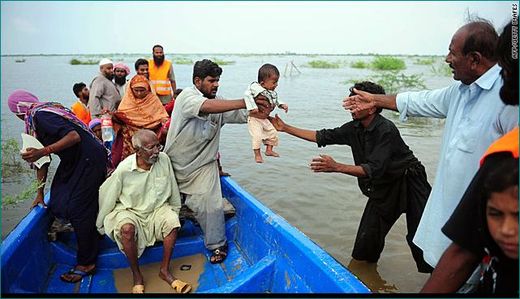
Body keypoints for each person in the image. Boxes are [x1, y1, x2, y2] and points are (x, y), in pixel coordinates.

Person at [343, 19, 518, 268]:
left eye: (452, 52)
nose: (447, 58)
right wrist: (374, 99)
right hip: (448, 221)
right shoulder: (460, 91)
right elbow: (417, 101)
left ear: (475, 59)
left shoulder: (508, 97)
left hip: (484, 231)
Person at [270, 81, 432, 273]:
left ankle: (438, 280)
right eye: (351, 101)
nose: (351, 106)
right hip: (384, 186)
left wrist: (337, 167)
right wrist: (285, 127)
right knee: (365, 244)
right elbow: (322, 136)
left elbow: (373, 169)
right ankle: (366, 276)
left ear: (372, 106)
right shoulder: (354, 128)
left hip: (410, 181)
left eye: (357, 102)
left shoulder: (385, 129)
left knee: (422, 241)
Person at [421, 21, 519, 294]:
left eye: (508, 71)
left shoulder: (507, 151)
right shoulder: (503, 155)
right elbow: (423, 100)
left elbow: (463, 254)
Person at [163, 59, 271, 264]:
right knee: (164, 209)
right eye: (212, 80)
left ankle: (217, 244)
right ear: (197, 80)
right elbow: (207, 106)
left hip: (203, 166)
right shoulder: (187, 96)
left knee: (211, 207)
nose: (216, 84)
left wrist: (263, 107)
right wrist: (246, 101)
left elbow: (242, 115)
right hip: (174, 166)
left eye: (218, 80)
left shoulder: (219, 102)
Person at [7, 89, 108, 284]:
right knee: (59, 197)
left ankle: (87, 261)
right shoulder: (35, 120)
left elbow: (73, 137)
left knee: (79, 206)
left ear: (19, 112)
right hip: (75, 160)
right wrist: (39, 193)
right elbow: (42, 161)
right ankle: (90, 234)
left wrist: (44, 149)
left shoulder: (41, 115)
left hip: (89, 157)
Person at [96, 129, 190, 294]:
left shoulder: (164, 159)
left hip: (157, 209)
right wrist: (100, 223)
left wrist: (175, 210)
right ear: (137, 151)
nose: (156, 151)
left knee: (172, 221)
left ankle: (165, 270)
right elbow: (108, 195)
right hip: (130, 210)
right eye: (151, 148)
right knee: (126, 229)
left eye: (157, 146)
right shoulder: (124, 169)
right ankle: (137, 276)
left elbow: (173, 187)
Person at [111, 75, 168, 167]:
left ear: (148, 89)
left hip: (148, 140)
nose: (139, 93)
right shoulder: (127, 102)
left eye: (142, 90)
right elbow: (121, 118)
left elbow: (162, 117)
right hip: (129, 140)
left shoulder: (153, 101)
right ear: (131, 89)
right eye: (136, 90)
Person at [244, 64, 288, 163]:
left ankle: (269, 150)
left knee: (273, 133)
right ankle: (257, 154)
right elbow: (247, 95)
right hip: (254, 118)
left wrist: (282, 105)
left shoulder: (271, 92)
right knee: (257, 136)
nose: (276, 85)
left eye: (277, 82)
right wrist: (253, 107)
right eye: (274, 82)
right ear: (263, 83)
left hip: (264, 119)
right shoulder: (255, 88)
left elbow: (276, 100)